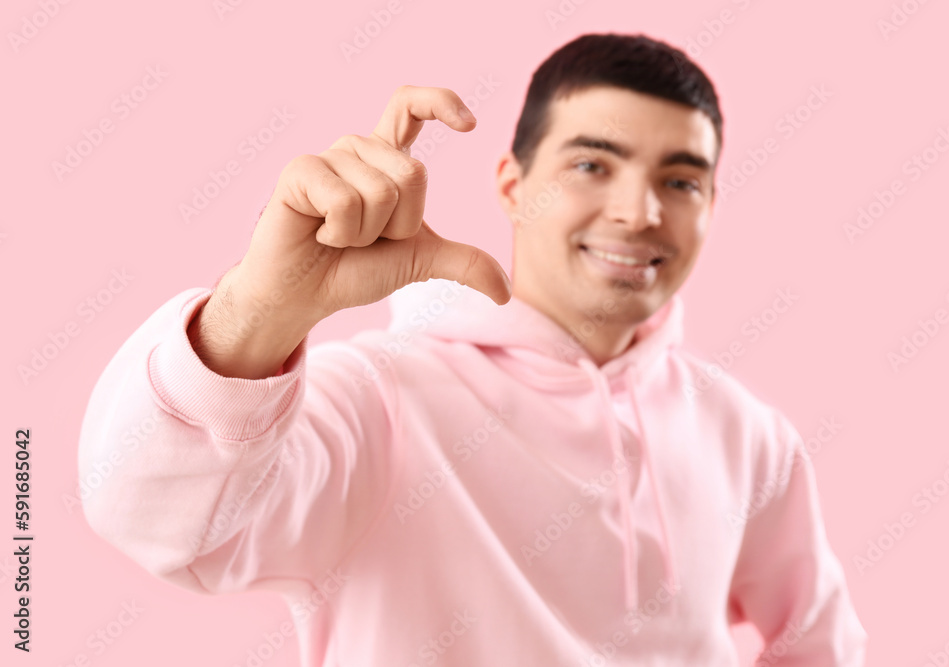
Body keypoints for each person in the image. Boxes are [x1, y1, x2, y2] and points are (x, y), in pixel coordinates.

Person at [78, 32, 867, 666]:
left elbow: (822, 640)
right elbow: (145, 513)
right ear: (512, 185)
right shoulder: (377, 402)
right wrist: (258, 310)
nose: (638, 211)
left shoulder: (748, 433)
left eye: (682, 180)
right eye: (592, 165)